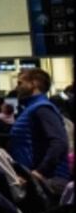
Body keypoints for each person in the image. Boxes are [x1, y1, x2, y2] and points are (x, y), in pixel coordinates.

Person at [9, 68, 71, 200]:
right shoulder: (32, 108)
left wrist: (40, 171)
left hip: (49, 181)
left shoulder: (42, 108)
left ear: (34, 83)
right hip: (38, 179)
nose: (17, 87)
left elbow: (60, 142)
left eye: (20, 83)